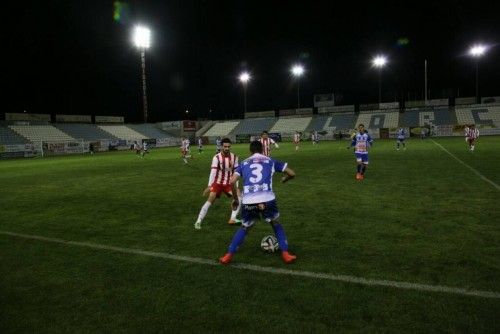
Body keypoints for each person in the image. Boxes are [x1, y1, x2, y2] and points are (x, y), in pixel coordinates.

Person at [219, 140, 297, 265]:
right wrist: (285, 179)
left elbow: (232, 181)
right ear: (262, 150)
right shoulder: (270, 161)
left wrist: (235, 199)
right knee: (276, 224)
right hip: (267, 199)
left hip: (249, 201)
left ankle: (228, 255)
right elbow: (292, 173)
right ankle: (286, 254)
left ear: (250, 151)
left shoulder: (244, 163)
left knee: (245, 227)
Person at [195, 138, 241, 230]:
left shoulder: (234, 157)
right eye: (225, 146)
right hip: (218, 183)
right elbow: (213, 172)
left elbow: (237, 173)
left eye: (228, 146)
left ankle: (233, 218)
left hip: (229, 184)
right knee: (210, 199)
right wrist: (209, 186)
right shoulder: (216, 157)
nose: (227, 148)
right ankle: (198, 221)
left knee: (239, 196)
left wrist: (236, 186)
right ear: (221, 146)